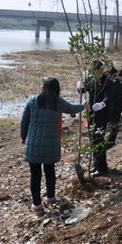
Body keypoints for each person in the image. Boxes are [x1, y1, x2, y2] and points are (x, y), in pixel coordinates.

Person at [21, 77, 85, 216]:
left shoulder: (32, 100)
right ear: (57, 89)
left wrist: (23, 137)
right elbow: (71, 109)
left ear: (43, 87)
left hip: (33, 144)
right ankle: (50, 198)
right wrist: (84, 106)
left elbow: (24, 121)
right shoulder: (57, 102)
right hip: (51, 145)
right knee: (50, 171)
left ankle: (37, 207)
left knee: (35, 176)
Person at [77, 60, 112, 177]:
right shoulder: (91, 80)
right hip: (92, 114)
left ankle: (102, 168)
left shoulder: (108, 82)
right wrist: (80, 87)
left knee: (99, 140)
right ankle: (96, 165)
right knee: (93, 139)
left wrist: (102, 104)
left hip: (103, 114)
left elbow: (110, 97)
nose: (95, 74)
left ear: (101, 70)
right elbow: (84, 90)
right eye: (93, 72)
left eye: (96, 72)